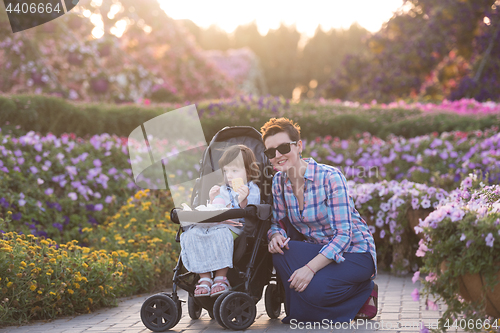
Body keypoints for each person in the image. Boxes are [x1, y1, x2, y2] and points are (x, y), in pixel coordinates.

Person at [261, 117, 378, 323]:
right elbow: (276, 223)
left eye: (283, 147)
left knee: (314, 291)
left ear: (298, 146)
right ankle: (305, 307)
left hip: (354, 253)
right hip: (318, 250)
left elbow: (344, 236)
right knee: (279, 252)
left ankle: (364, 291)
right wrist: (275, 235)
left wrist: (309, 269)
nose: (278, 155)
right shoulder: (279, 182)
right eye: (271, 152)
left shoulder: (330, 177)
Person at [180, 144, 261, 297]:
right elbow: (217, 208)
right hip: (216, 224)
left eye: (234, 171)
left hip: (235, 226)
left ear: (248, 171)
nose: (229, 175)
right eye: (226, 171)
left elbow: (252, 211)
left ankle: (220, 277)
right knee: (192, 233)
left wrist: (244, 201)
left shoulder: (251, 189)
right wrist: (213, 199)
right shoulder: (223, 189)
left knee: (221, 233)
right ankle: (204, 278)